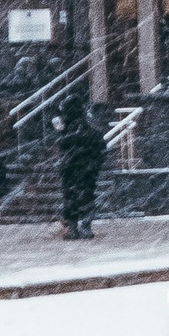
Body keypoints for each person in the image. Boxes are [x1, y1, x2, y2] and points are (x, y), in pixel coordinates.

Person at [56, 96, 108, 238]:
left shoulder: (70, 132)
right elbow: (102, 151)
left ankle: (75, 228)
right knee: (85, 197)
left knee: (73, 198)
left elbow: (63, 145)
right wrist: (94, 166)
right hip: (84, 170)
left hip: (74, 169)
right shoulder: (88, 131)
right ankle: (83, 226)